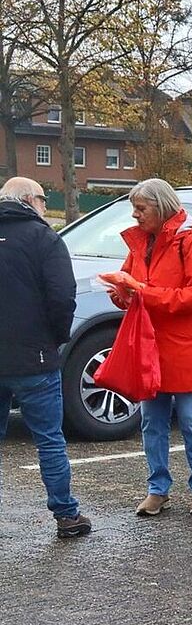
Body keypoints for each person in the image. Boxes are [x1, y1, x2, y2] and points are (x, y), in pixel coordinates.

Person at [103, 178, 192, 517]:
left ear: (161, 206)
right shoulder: (142, 243)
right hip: (151, 345)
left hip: (186, 347)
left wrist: (142, 292)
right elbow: (133, 285)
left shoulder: (191, 239)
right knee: (151, 421)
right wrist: (121, 292)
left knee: (191, 420)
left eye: (141, 208)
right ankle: (158, 488)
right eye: (135, 208)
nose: (135, 214)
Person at [0, 177, 88, 539]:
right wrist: (56, 337)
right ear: (30, 201)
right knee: (49, 439)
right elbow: (63, 295)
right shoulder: (44, 239)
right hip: (34, 356)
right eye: (41, 199)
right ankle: (66, 514)